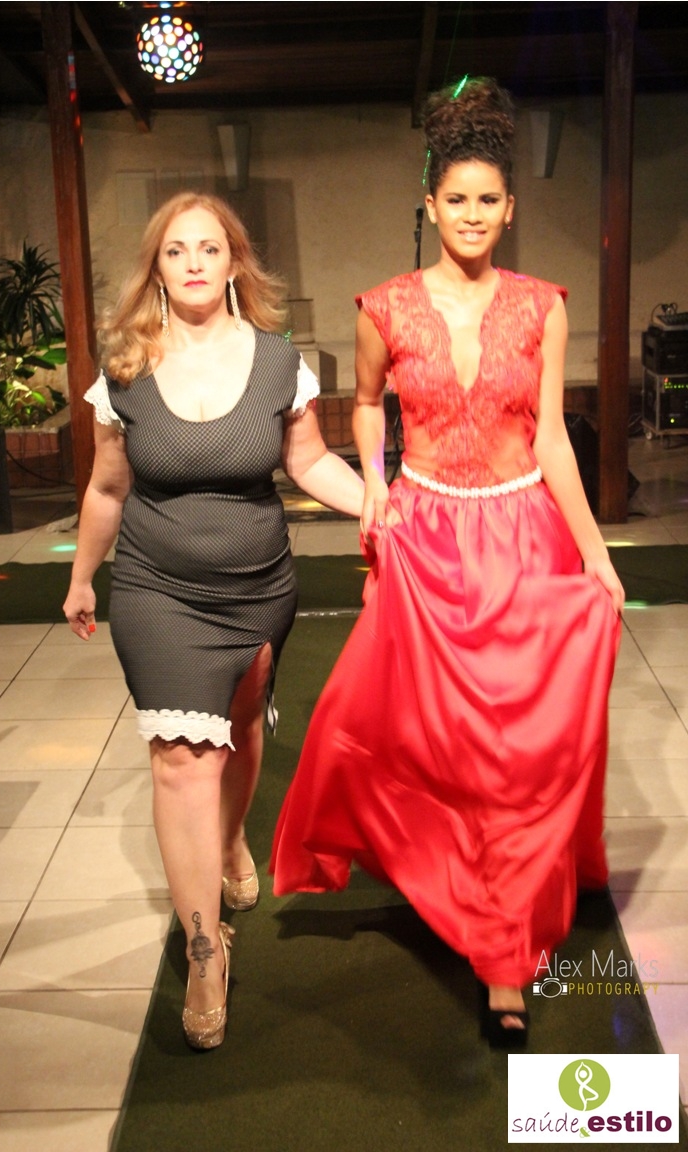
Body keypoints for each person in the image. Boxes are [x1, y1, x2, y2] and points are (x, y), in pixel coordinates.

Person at [271, 78, 623, 1046]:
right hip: (425, 542)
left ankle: (504, 953)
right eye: (455, 198)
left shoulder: (543, 306)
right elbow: (364, 405)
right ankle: (457, 882)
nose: (471, 214)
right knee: (430, 741)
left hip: (525, 540)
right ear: (430, 205)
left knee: (519, 749)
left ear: (509, 210)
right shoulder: (383, 306)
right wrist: (375, 486)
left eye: (488, 200)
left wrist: (596, 554)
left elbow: (551, 436)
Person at [63, 192, 364, 1050]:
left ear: (235, 262)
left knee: (238, 729)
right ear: (156, 269)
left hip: (258, 587)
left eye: (208, 248)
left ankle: (230, 842)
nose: (193, 262)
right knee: (181, 763)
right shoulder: (125, 367)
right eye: (176, 251)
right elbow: (107, 487)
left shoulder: (279, 362)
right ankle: (204, 951)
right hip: (156, 588)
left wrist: (382, 504)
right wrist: (82, 578)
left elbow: (309, 460)